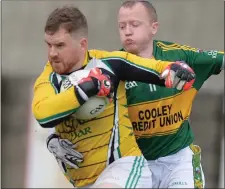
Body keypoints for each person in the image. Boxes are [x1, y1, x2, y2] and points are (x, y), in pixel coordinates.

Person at [32, 5, 195, 188]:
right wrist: (87, 88)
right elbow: (43, 114)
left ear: (82, 44)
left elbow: (154, 68)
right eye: (49, 44)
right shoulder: (48, 79)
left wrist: (175, 70)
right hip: (84, 182)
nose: (52, 53)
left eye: (60, 45)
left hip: (123, 168)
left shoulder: (109, 64)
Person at [117, 0, 224, 188]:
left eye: (134, 24)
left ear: (153, 27)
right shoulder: (113, 67)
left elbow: (219, 59)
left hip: (178, 160)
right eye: (122, 26)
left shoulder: (178, 56)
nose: (127, 31)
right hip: (136, 163)